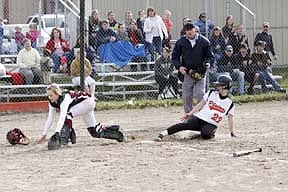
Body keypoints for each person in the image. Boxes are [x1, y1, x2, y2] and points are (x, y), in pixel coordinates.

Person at [37, 83, 124, 150]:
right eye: (48, 95)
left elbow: (62, 117)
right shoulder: (52, 101)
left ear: (57, 93)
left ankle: (63, 140)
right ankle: (118, 134)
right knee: (94, 132)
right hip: (83, 105)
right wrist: (44, 134)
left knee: (68, 115)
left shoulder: (64, 98)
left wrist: (57, 133)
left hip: (88, 102)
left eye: (51, 95)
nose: (49, 97)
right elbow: (50, 118)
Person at [155, 74, 236, 141]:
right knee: (185, 125)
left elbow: (230, 118)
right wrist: (191, 113)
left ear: (225, 86)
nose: (217, 86)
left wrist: (231, 132)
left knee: (206, 135)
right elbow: (201, 104)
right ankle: (163, 134)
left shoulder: (229, 103)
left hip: (211, 124)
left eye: (219, 85)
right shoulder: (212, 93)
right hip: (200, 118)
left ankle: (210, 132)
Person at [172, 22, 213, 113]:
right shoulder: (181, 42)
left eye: (191, 29)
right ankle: (189, 116)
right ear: (185, 31)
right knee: (187, 96)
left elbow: (210, 56)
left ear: (195, 29)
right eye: (187, 30)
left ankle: (202, 115)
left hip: (200, 72)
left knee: (200, 94)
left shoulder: (204, 41)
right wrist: (179, 67)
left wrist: (208, 63)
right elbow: (175, 57)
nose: (189, 31)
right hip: (187, 72)